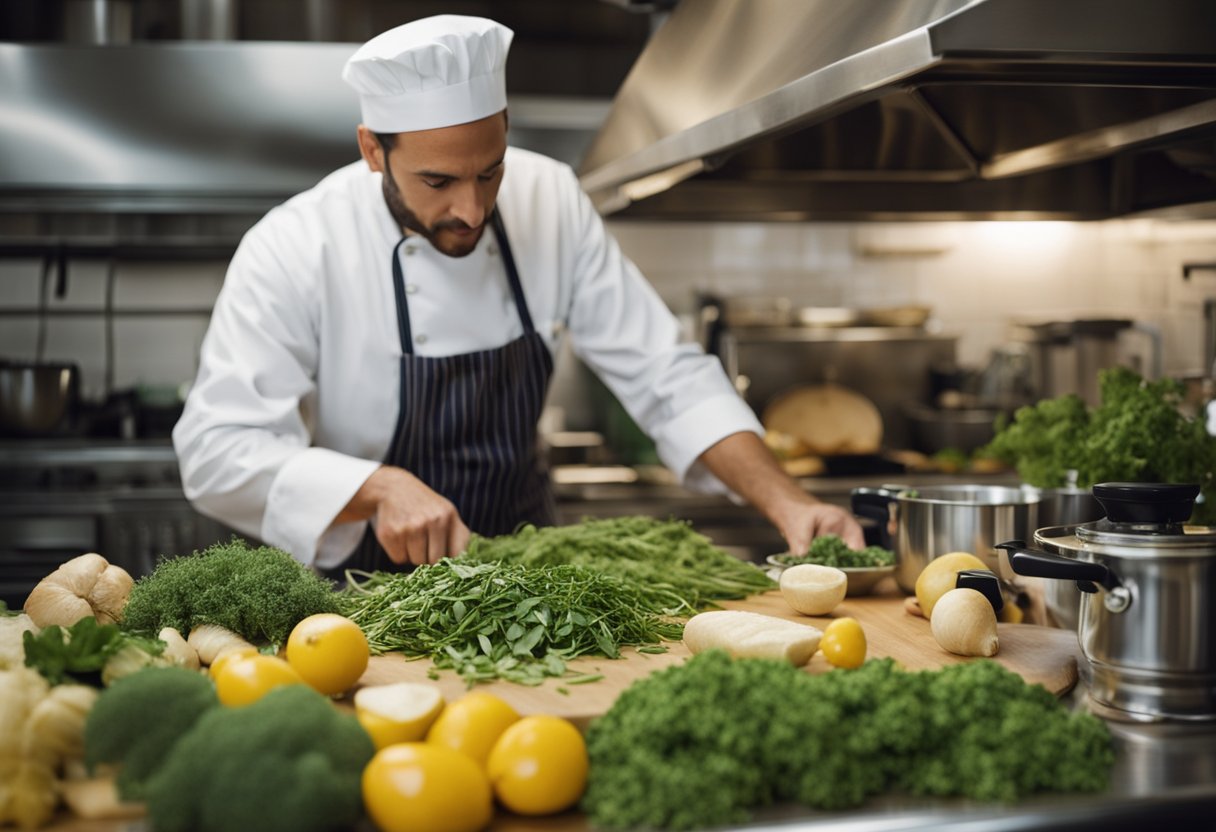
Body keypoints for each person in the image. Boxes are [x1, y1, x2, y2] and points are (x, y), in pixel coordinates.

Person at [173, 15, 863, 576]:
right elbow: (216, 449)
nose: (472, 211)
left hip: (530, 583)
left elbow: (667, 376)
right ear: (373, 151)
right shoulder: (296, 246)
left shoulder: (551, 198)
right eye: (439, 182)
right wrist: (377, 487)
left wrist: (788, 502)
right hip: (364, 591)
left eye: (490, 171)